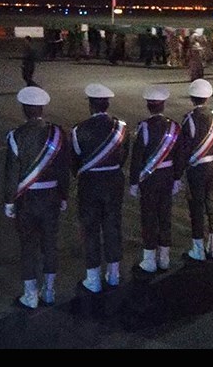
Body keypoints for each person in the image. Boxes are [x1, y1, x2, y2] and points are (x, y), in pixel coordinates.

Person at [4, 86, 70, 309]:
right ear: (42, 108)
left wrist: (9, 201)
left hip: (27, 198)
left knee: (28, 245)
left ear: (24, 109)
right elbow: (63, 167)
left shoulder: (16, 135)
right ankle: (49, 291)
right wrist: (63, 194)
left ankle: (30, 295)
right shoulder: (57, 133)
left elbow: (12, 172)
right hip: (51, 196)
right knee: (50, 244)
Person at [71, 84, 130, 292]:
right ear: (107, 104)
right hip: (113, 180)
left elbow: (75, 161)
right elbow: (123, 155)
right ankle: (114, 274)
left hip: (90, 183)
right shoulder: (121, 127)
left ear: (91, 105)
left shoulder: (79, 129)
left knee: (90, 229)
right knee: (113, 226)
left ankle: (93, 279)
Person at [129, 85, 184, 274]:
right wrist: (177, 177)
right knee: (165, 215)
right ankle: (164, 258)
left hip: (149, 178)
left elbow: (137, 157)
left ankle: (149, 259)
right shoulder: (174, 126)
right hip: (168, 176)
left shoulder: (143, 127)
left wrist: (134, 181)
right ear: (163, 105)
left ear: (148, 106)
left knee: (149, 217)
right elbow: (179, 155)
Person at [180, 79, 213, 260]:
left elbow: (184, 147)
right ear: (208, 98)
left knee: (197, 207)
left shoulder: (189, 119)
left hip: (196, 168)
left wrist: (181, 169)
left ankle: (198, 249)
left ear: (192, 98)